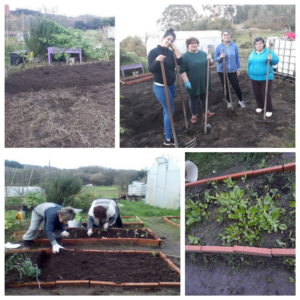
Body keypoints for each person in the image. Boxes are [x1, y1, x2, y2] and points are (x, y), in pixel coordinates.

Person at [148, 28, 183, 146]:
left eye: (171, 40)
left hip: (171, 85)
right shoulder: (154, 52)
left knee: (167, 109)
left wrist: (176, 49)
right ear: (163, 38)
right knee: (170, 110)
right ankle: (168, 139)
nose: (169, 41)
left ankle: (168, 129)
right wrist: (157, 60)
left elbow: (180, 62)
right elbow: (151, 69)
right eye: (168, 39)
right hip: (161, 86)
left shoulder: (170, 52)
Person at [179, 37, 215, 124]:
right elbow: (182, 70)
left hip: (204, 80)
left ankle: (205, 112)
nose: (194, 45)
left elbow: (209, 63)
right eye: (191, 43)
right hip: (192, 82)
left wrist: (211, 60)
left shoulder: (203, 54)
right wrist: (186, 81)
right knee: (193, 99)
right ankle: (194, 115)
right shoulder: (185, 56)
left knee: (204, 97)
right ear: (188, 45)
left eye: (195, 43)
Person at [247, 37, 279, 117]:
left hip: (265, 78)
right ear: (255, 45)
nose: (258, 45)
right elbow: (249, 64)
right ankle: (260, 106)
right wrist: (249, 73)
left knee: (265, 94)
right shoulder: (252, 53)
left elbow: (276, 61)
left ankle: (268, 109)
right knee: (257, 93)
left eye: (260, 43)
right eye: (256, 44)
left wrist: (271, 59)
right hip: (254, 78)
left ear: (263, 44)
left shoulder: (268, 52)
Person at [214, 29, 246, 109]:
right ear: (222, 37)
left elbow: (237, 58)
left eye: (227, 34)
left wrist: (238, 69)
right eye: (224, 35)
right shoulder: (219, 47)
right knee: (225, 87)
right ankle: (228, 102)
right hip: (222, 70)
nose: (226, 36)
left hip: (232, 70)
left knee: (236, 86)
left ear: (229, 36)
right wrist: (220, 57)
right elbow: (215, 59)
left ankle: (241, 101)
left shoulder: (234, 45)